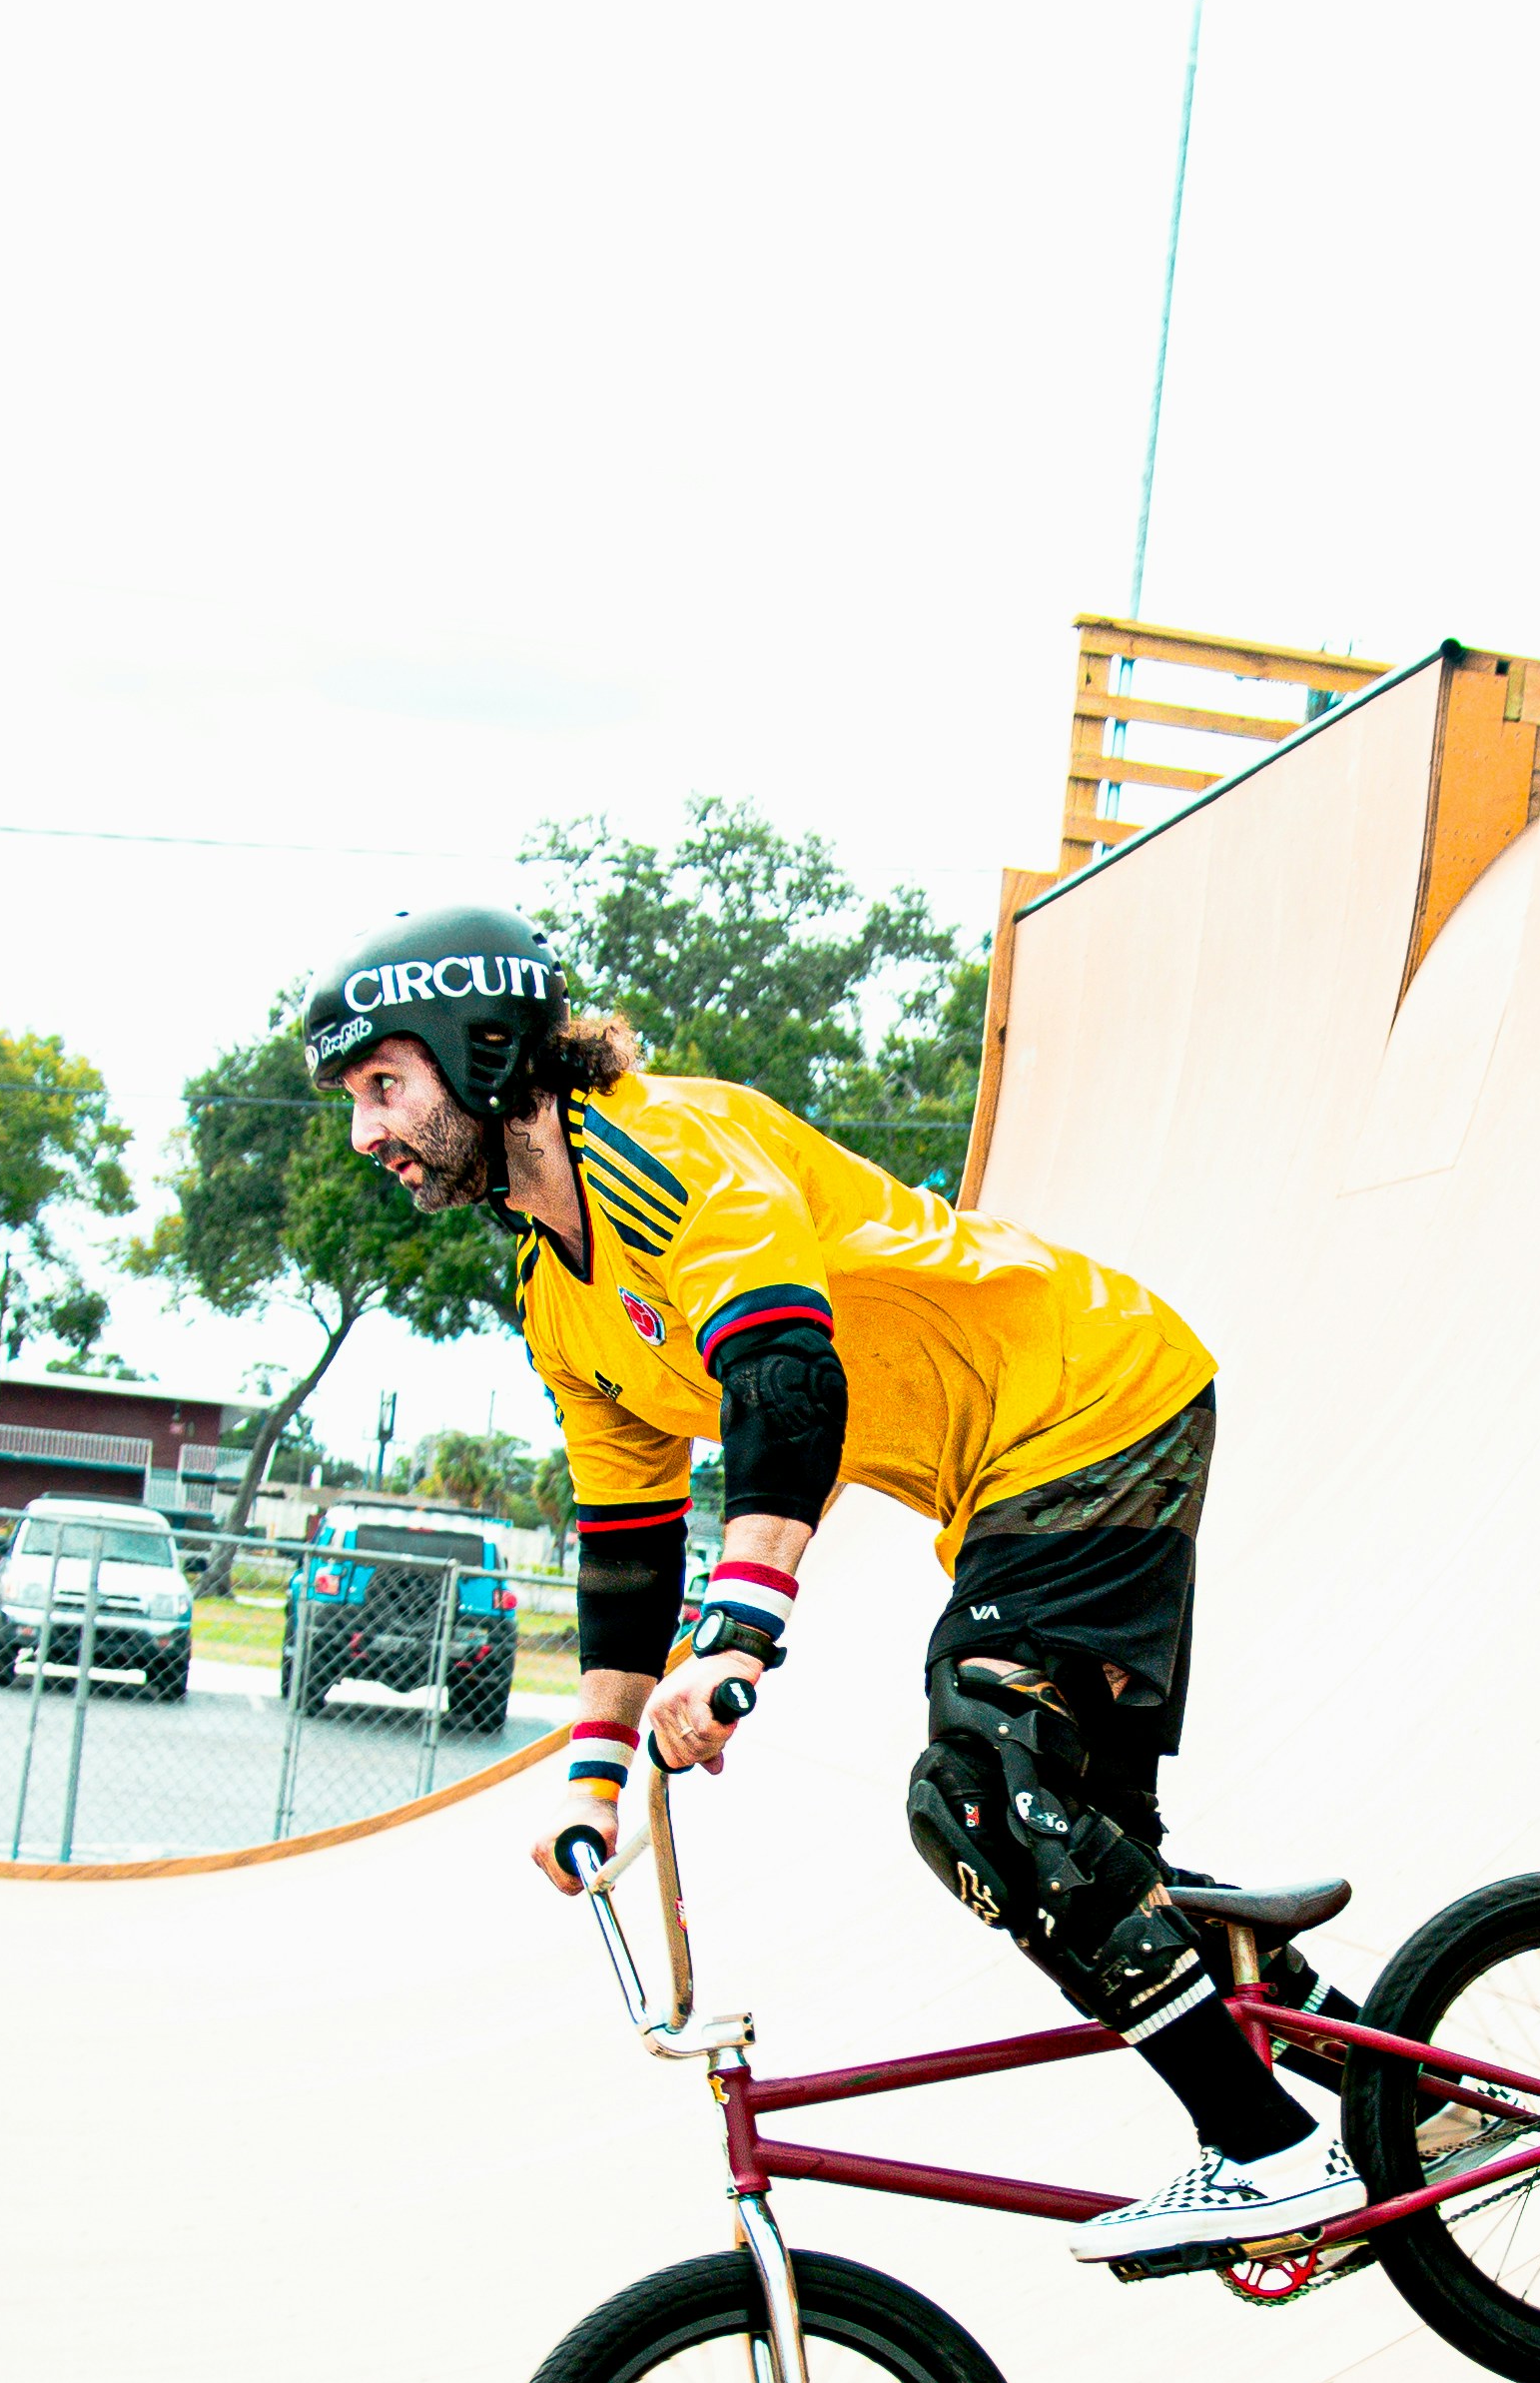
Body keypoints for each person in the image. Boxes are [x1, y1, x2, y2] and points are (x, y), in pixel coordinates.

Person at [297, 902, 1355, 2264]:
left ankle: (1269, 2154)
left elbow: (785, 1383)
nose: (366, 1132)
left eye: (384, 1086)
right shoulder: (554, 1286)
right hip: (1005, 1477)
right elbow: (626, 1541)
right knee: (1085, 1861)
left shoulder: (669, 1149)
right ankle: (1413, 2104)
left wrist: (742, 1638)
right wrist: (594, 1777)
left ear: (484, 1046)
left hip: (1090, 1400)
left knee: (979, 1792)